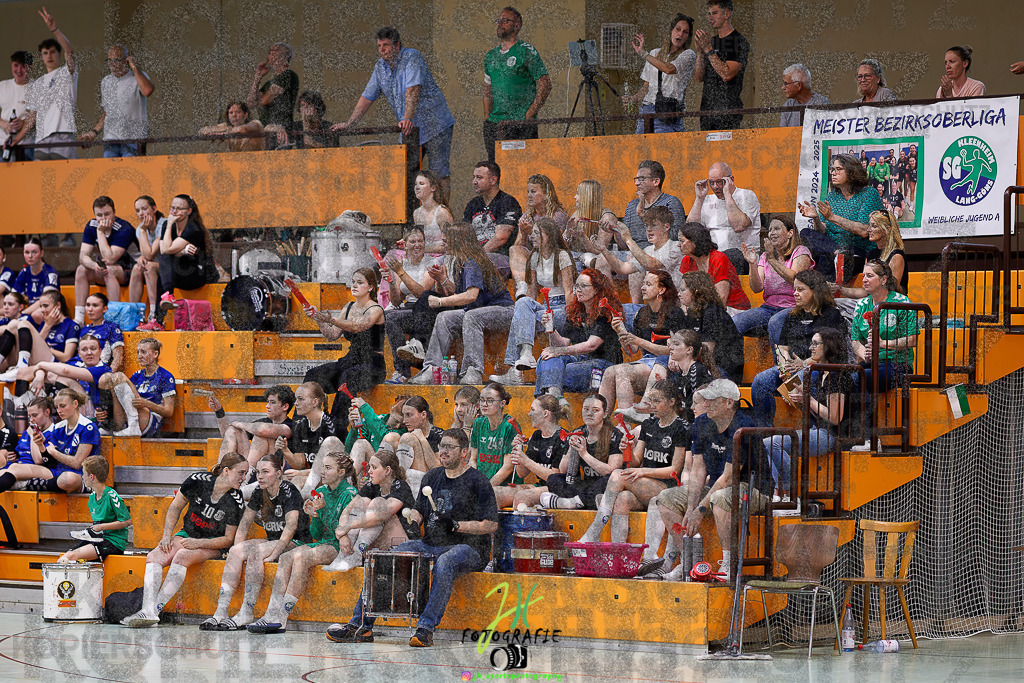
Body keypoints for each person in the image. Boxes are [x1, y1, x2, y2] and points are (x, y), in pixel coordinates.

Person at [326, 428, 498, 647]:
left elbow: (491, 524)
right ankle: (360, 625)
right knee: (386, 557)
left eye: (449, 447)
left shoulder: (478, 481)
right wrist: (411, 516)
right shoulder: (432, 477)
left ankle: (425, 628)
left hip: (470, 547)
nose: (443, 451)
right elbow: (419, 512)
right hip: (431, 543)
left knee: (446, 562)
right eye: (441, 446)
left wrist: (457, 525)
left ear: (464, 452)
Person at [122, 453, 248, 628]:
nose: (244, 478)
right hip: (188, 534)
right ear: (226, 470)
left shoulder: (235, 499)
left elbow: (228, 540)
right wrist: (167, 535)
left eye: (245, 473)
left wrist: (199, 544)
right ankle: (147, 610)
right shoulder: (197, 480)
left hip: (212, 543)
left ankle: (154, 610)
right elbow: (175, 506)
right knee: (154, 556)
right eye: (241, 473)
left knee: (182, 555)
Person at [245, 451, 358, 634]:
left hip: (341, 546)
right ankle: (270, 614)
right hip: (323, 543)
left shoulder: (351, 494)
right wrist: (313, 516)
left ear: (341, 472)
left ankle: (281, 618)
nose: (322, 472)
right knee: (286, 557)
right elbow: (316, 533)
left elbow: (343, 533)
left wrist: (322, 512)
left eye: (328, 468)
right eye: (322, 467)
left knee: (300, 557)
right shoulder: (320, 492)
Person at [334, 28, 455, 189]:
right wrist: (350, 123)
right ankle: (410, 214)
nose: (381, 49)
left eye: (386, 45)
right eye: (379, 46)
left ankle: (443, 213)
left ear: (397, 45)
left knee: (438, 173)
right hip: (409, 128)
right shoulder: (380, 67)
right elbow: (367, 97)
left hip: (435, 124)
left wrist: (407, 118)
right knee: (405, 173)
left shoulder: (412, 56)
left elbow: (413, 89)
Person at [202, 450, 309, 631]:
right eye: (258, 472)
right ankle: (220, 611)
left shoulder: (290, 491)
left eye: (265, 471)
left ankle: (246, 611)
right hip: (273, 540)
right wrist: (236, 552)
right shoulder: (260, 491)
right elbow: (244, 524)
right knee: (236, 551)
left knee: (257, 553)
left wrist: (274, 553)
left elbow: (291, 528)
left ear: (278, 473)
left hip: (296, 542)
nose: (260, 476)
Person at [672, 378, 767, 582]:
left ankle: (728, 562)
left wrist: (700, 509)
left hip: (754, 488)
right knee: (665, 499)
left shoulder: (743, 426)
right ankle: (686, 562)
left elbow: (728, 478)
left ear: (729, 403)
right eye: (705, 400)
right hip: (717, 486)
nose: (706, 405)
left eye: (712, 401)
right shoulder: (702, 422)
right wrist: (691, 506)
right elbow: (698, 469)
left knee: (721, 498)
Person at [577, 380, 687, 552]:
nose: (652, 406)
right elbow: (636, 459)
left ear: (672, 402)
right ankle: (618, 552)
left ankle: (593, 532)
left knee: (616, 475)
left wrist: (642, 471)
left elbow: (674, 470)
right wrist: (627, 450)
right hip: (644, 484)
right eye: (651, 401)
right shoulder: (649, 424)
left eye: (657, 401)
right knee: (622, 499)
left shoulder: (681, 427)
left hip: (668, 487)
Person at [409, 224, 514, 386]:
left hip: (504, 311)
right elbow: (457, 294)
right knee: (444, 317)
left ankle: (473, 370)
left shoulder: (472, 262)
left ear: (457, 241)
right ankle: (432, 368)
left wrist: (440, 301)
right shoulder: (459, 261)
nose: (443, 244)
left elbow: (471, 296)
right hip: (478, 312)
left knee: (471, 317)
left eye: (446, 241)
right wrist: (441, 279)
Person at [763, 327, 853, 503]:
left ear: (829, 346)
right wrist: (800, 399)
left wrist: (809, 400)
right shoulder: (820, 373)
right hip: (817, 429)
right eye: (811, 343)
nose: (811, 348)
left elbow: (835, 418)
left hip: (834, 435)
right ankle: (779, 492)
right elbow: (815, 409)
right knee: (769, 442)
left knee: (772, 443)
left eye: (816, 344)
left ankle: (790, 494)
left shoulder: (837, 376)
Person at [750, 269, 848, 429]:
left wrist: (803, 364)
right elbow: (781, 346)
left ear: (815, 291)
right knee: (760, 381)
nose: (795, 294)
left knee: (802, 380)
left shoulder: (831, 315)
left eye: (801, 290)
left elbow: (828, 351)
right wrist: (784, 368)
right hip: (792, 367)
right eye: (794, 289)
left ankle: (816, 429)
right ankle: (764, 430)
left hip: (819, 367)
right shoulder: (792, 315)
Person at [491, 217, 575, 385]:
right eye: (533, 233)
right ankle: (525, 355)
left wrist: (571, 316)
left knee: (520, 315)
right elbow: (531, 292)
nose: (532, 237)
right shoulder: (534, 256)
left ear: (549, 236)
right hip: (544, 307)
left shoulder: (562, 256)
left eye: (537, 233)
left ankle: (515, 370)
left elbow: (569, 291)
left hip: (562, 308)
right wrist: (523, 312)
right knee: (521, 305)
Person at [302, 267, 386, 430]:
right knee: (313, 375)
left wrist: (331, 319)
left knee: (348, 376)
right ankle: (307, 423)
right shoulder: (348, 307)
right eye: (353, 282)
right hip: (351, 359)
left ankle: (335, 427)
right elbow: (331, 335)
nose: (354, 285)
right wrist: (318, 318)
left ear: (370, 287)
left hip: (373, 364)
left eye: (359, 282)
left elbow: (358, 326)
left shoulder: (376, 309)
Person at [600, 270, 685, 414]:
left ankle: (625, 421)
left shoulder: (675, 313)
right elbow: (632, 351)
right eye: (643, 283)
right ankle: (602, 421)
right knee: (609, 372)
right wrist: (620, 332)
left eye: (648, 284)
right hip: (646, 362)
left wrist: (639, 341)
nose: (642, 288)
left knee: (622, 371)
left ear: (662, 289)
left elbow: (675, 352)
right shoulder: (642, 313)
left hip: (665, 364)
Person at [322, 448, 420, 572]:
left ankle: (357, 555)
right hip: (379, 543)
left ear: (387, 470)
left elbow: (381, 516)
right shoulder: (372, 485)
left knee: (377, 503)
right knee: (362, 503)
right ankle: (345, 556)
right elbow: (348, 510)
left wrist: (348, 526)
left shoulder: (401, 486)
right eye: (369, 467)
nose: (369, 471)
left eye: (374, 467)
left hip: (404, 545)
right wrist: (343, 536)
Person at [535, 268, 623, 405]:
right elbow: (563, 344)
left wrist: (558, 351)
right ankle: (556, 397)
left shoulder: (606, 312)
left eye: (584, 286)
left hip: (603, 364)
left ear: (596, 290)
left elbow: (591, 345)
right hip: (580, 359)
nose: (578, 290)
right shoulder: (575, 311)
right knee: (546, 358)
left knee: (557, 369)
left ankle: (546, 400)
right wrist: (551, 329)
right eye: (576, 286)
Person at [799, 153, 883, 284]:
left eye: (838, 169)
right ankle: (837, 252)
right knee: (805, 233)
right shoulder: (831, 197)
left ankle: (840, 256)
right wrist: (816, 218)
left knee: (828, 262)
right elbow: (822, 230)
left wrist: (832, 217)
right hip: (833, 252)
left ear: (851, 171)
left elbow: (864, 230)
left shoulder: (869, 194)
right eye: (832, 169)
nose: (833, 173)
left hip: (856, 252)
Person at [483, 6, 550, 162]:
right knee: (496, 170)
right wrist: (487, 118)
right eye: (498, 20)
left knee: (522, 168)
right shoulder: (490, 55)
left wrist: (530, 114)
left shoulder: (526, 51)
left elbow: (545, 84)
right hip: (495, 124)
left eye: (505, 20)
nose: (500, 24)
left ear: (517, 25)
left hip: (520, 122)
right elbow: (487, 90)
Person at [734, 215, 813, 347]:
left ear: (790, 233)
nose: (772, 233)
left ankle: (781, 366)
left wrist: (772, 260)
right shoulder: (765, 256)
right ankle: (732, 366)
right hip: (768, 309)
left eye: (777, 228)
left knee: (775, 322)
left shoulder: (801, 252)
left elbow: (795, 280)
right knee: (736, 321)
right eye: (770, 230)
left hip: (794, 308)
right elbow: (757, 288)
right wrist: (752, 264)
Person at [540, 393, 624, 510]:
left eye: (595, 410)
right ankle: (578, 501)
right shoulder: (577, 432)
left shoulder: (615, 435)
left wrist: (584, 454)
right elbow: (563, 470)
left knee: (607, 481)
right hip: (587, 487)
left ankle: (573, 502)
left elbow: (611, 471)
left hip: (605, 486)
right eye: (586, 409)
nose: (589, 413)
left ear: (605, 414)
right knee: (553, 479)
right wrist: (570, 449)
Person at [15, 8, 77, 160]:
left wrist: (54, 30)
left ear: (59, 54)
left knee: (63, 179)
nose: (49, 56)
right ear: (41, 57)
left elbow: (70, 52)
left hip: (62, 134)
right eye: (45, 53)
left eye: (52, 52)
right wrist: (17, 139)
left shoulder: (66, 72)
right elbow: (32, 116)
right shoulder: (37, 84)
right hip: (41, 138)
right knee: (43, 182)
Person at [852, 259, 919, 393]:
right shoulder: (861, 305)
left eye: (870, 276)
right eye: (863, 275)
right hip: (871, 362)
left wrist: (881, 343)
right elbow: (855, 341)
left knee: (857, 379)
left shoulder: (902, 303)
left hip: (898, 364)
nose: (864, 279)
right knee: (840, 379)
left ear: (883, 280)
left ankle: (865, 414)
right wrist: (866, 355)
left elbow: (912, 340)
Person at [626, 328, 717, 424]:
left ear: (689, 350)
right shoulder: (680, 374)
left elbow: (695, 410)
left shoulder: (697, 371)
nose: (671, 347)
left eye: (676, 344)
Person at [624, 14, 696, 134]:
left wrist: (644, 54)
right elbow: (646, 86)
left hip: (667, 111)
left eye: (685, 32)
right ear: (671, 31)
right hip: (646, 111)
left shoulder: (688, 55)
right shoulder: (655, 53)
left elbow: (668, 69)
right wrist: (633, 99)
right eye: (678, 29)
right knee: (640, 149)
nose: (680, 34)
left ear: (688, 37)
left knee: (663, 151)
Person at [384, 227, 439, 383]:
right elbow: (396, 301)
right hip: (407, 308)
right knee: (387, 316)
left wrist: (401, 273)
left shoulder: (431, 263)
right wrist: (391, 280)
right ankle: (402, 370)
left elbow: (421, 294)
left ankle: (402, 370)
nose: (417, 245)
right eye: (412, 241)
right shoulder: (403, 264)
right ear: (405, 244)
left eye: (420, 241)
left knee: (392, 318)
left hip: (426, 310)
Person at [596, 205, 684, 303]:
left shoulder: (675, 247)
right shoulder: (648, 250)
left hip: (672, 305)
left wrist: (628, 239)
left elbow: (650, 264)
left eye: (653, 225)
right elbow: (622, 268)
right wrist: (604, 250)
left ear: (666, 227)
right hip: (654, 306)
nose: (648, 230)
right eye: (647, 226)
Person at [78, 44, 153, 157]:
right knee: (111, 174)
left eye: (117, 60)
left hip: (133, 139)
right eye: (110, 61)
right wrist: (93, 132)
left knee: (130, 173)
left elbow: (147, 90)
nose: (113, 65)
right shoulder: (106, 82)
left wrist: (134, 67)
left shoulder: (137, 77)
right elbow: (108, 112)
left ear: (126, 60)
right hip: (110, 141)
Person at [686, 162, 761, 275]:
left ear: (731, 179)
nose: (715, 187)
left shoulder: (746, 195)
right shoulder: (707, 200)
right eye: (712, 183)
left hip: (743, 258)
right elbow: (691, 231)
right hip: (714, 259)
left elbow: (738, 225)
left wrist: (727, 195)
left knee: (731, 255)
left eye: (719, 182)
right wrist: (699, 198)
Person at [56, 455, 132, 563]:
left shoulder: (112, 496)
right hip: (98, 539)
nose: (82, 477)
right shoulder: (92, 497)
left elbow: (127, 521)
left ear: (91, 477)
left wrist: (101, 527)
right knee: (66, 556)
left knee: (71, 556)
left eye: (84, 474)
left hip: (114, 542)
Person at [74, 196, 138, 320]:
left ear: (114, 212)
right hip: (108, 269)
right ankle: (79, 319)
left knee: (109, 269)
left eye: (107, 214)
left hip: (131, 271)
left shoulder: (124, 228)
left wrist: (100, 232)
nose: (103, 219)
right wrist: (94, 265)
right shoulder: (91, 225)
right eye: (99, 215)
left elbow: (110, 258)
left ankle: (114, 318)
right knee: (81, 270)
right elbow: (82, 256)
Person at [155, 194, 216, 320]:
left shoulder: (193, 228)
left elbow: (166, 249)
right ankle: (158, 318)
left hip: (197, 275)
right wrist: (182, 251)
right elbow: (163, 249)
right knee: (160, 268)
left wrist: (176, 250)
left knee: (164, 263)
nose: (174, 211)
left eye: (179, 208)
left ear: (189, 211)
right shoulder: (168, 224)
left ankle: (163, 307)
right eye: (172, 208)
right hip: (179, 272)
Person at [677, 271, 744, 383]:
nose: (679, 294)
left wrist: (679, 356)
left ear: (695, 291)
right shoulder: (691, 314)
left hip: (722, 370)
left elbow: (707, 350)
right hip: (701, 365)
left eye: (683, 290)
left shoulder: (713, 312)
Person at [280, 382, 344, 498]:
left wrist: (301, 473)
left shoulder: (332, 425)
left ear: (315, 402)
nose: (296, 403)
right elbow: (300, 463)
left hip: (336, 478)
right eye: (296, 399)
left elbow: (334, 469)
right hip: (312, 477)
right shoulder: (300, 426)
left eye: (301, 399)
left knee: (297, 480)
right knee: (280, 481)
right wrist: (285, 450)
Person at [211, 385, 294, 474]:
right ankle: (222, 471)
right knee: (233, 430)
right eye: (267, 402)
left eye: (272, 402)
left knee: (261, 435)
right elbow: (227, 436)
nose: (267, 406)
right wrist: (219, 411)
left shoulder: (290, 425)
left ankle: (246, 474)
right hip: (253, 466)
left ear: (285, 406)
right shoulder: (263, 422)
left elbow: (262, 430)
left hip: (274, 470)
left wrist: (239, 424)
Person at [693, 0, 749, 131]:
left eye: (714, 13)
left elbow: (727, 74)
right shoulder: (711, 41)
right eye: (709, 14)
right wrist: (700, 52)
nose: (710, 17)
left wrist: (707, 49)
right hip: (706, 111)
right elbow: (698, 77)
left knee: (726, 151)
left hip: (728, 111)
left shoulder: (739, 41)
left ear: (726, 14)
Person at [509, 394, 570, 509]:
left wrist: (526, 461)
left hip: (560, 488)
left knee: (522, 497)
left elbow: (555, 479)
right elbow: (522, 473)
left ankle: (526, 526)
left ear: (545, 413)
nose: (529, 414)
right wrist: (519, 451)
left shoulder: (562, 437)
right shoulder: (536, 435)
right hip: (540, 486)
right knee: (497, 493)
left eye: (533, 410)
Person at [510, 175, 569, 288]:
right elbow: (518, 248)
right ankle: (521, 290)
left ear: (547, 194)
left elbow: (555, 246)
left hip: (551, 259)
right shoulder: (527, 216)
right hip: (533, 257)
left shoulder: (557, 216)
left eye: (533, 191)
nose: (529, 195)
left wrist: (532, 231)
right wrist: (524, 234)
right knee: (514, 249)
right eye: (528, 192)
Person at [678, 223, 750, 314]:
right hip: (703, 309)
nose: (678, 245)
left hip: (733, 309)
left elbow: (721, 301)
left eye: (681, 241)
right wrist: (685, 313)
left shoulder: (719, 259)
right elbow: (684, 294)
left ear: (694, 242)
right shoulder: (686, 260)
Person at [837, 211, 907, 300]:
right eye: (870, 226)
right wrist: (839, 289)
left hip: (892, 305)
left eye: (874, 226)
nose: (869, 230)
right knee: (837, 303)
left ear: (887, 229)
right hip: (873, 301)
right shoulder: (871, 254)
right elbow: (866, 292)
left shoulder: (896, 255)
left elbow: (891, 291)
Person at [469, 383, 519, 507]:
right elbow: (473, 459)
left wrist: (485, 487)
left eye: (490, 401)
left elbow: (508, 467)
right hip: (482, 484)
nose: (484, 404)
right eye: (482, 400)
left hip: (502, 487)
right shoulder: (478, 423)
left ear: (502, 403)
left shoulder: (509, 426)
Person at [617, 160, 686, 250]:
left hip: (661, 254)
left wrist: (643, 216)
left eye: (642, 179)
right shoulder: (631, 206)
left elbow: (675, 237)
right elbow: (624, 245)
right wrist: (615, 231)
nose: (636, 183)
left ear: (656, 181)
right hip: (633, 255)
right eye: (636, 179)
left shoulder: (670, 203)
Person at [463, 161, 522, 257]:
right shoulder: (473, 203)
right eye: (474, 177)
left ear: (493, 180)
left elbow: (501, 238)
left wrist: (478, 257)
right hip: (475, 256)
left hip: (499, 256)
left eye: (479, 177)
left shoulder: (508, 202)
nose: (474, 182)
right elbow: (463, 234)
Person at [123, 336, 177, 438]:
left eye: (143, 352)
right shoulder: (136, 375)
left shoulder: (165, 376)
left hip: (152, 422)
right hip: (134, 416)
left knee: (121, 378)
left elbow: (169, 411)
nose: (139, 356)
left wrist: (146, 404)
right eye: (138, 352)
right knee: (117, 379)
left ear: (155, 354)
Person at [130, 196, 167, 329]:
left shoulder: (164, 224)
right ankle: (133, 314)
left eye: (144, 209)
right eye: (138, 210)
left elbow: (150, 254)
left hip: (169, 266)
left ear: (154, 209)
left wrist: (142, 231)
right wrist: (141, 258)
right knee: (137, 268)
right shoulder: (140, 228)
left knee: (149, 266)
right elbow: (145, 255)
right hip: (154, 265)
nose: (141, 213)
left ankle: (154, 315)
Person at [246, 42, 298, 128]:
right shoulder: (269, 83)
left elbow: (264, 101)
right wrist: (257, 77)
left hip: (281, 129)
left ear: (279, 55)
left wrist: (258, 102)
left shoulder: (288, 75)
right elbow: (250, 104)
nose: (268, 56)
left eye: (270, 52)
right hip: (266, 129)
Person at [0, 397, 45, 494]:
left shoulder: (50, 432)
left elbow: (38, 460)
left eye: (35, 415)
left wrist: (32, 436)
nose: (31, 420)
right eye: (29, 416)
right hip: (16, 465)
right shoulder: (26, 432)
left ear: (47, 412)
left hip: (30, 468)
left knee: (13, 468)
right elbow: (16, 453)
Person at [264, 90, 336, 149]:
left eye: (309, 105)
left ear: (316, 109)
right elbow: (267, 128)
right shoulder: (296, 126)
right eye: (303, 105)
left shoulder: (328, 127)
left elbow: (309, 144)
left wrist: (305, 121)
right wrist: (279, 128)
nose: (305, 109)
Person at [0, 50, 34, 161]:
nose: (18, 70)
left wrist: (24, 123)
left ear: (30, 67)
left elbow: (43, 118)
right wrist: (3, 123)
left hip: (26, 146)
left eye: (23, 66)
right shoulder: (3, 86)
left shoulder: (36, 88)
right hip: (2, 144)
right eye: (15, 65)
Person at [79, 293, 124, 372]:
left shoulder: (111, 327)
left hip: (99, 370)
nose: (90, 309)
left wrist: (107, 376)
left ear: (105, 309)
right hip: (81, 367)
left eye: (95, 305)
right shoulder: (84, 329)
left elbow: (118, 358)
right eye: (88, 305)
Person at [411, 171, 453, 253]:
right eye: (416, 184)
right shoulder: (416, 213)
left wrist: (423, 249)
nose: (417, 187)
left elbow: (450, 245)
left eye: (421, 184)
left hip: (440, 258)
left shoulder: (442, 213)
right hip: (423, 256)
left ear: (433, 188)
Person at [198, 101, 264, 152]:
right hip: (236, 163)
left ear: (245, 115)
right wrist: (210, 133)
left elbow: (242, 130)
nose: (234, 115)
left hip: (256, 162)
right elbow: (203, 130)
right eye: (231, 113)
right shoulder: (226, 127)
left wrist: (224, 134)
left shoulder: (255, 123)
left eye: (238, 112)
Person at [11, 238, 59, 307]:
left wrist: (22, 314)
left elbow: (45, 302)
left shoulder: (50, 273)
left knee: (37, 314)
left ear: (42, 253)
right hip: (29, 311)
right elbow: (14, 298)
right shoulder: (23, 273)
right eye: (27, 252)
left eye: (34, 252)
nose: (30, 256)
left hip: (48, 310)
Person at [779, 63, 829, 127]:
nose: (783, 87)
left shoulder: (821, 104)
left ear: (798, 85)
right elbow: (782, 133)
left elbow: (822, 134)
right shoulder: (788, 105)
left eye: (786, 84)